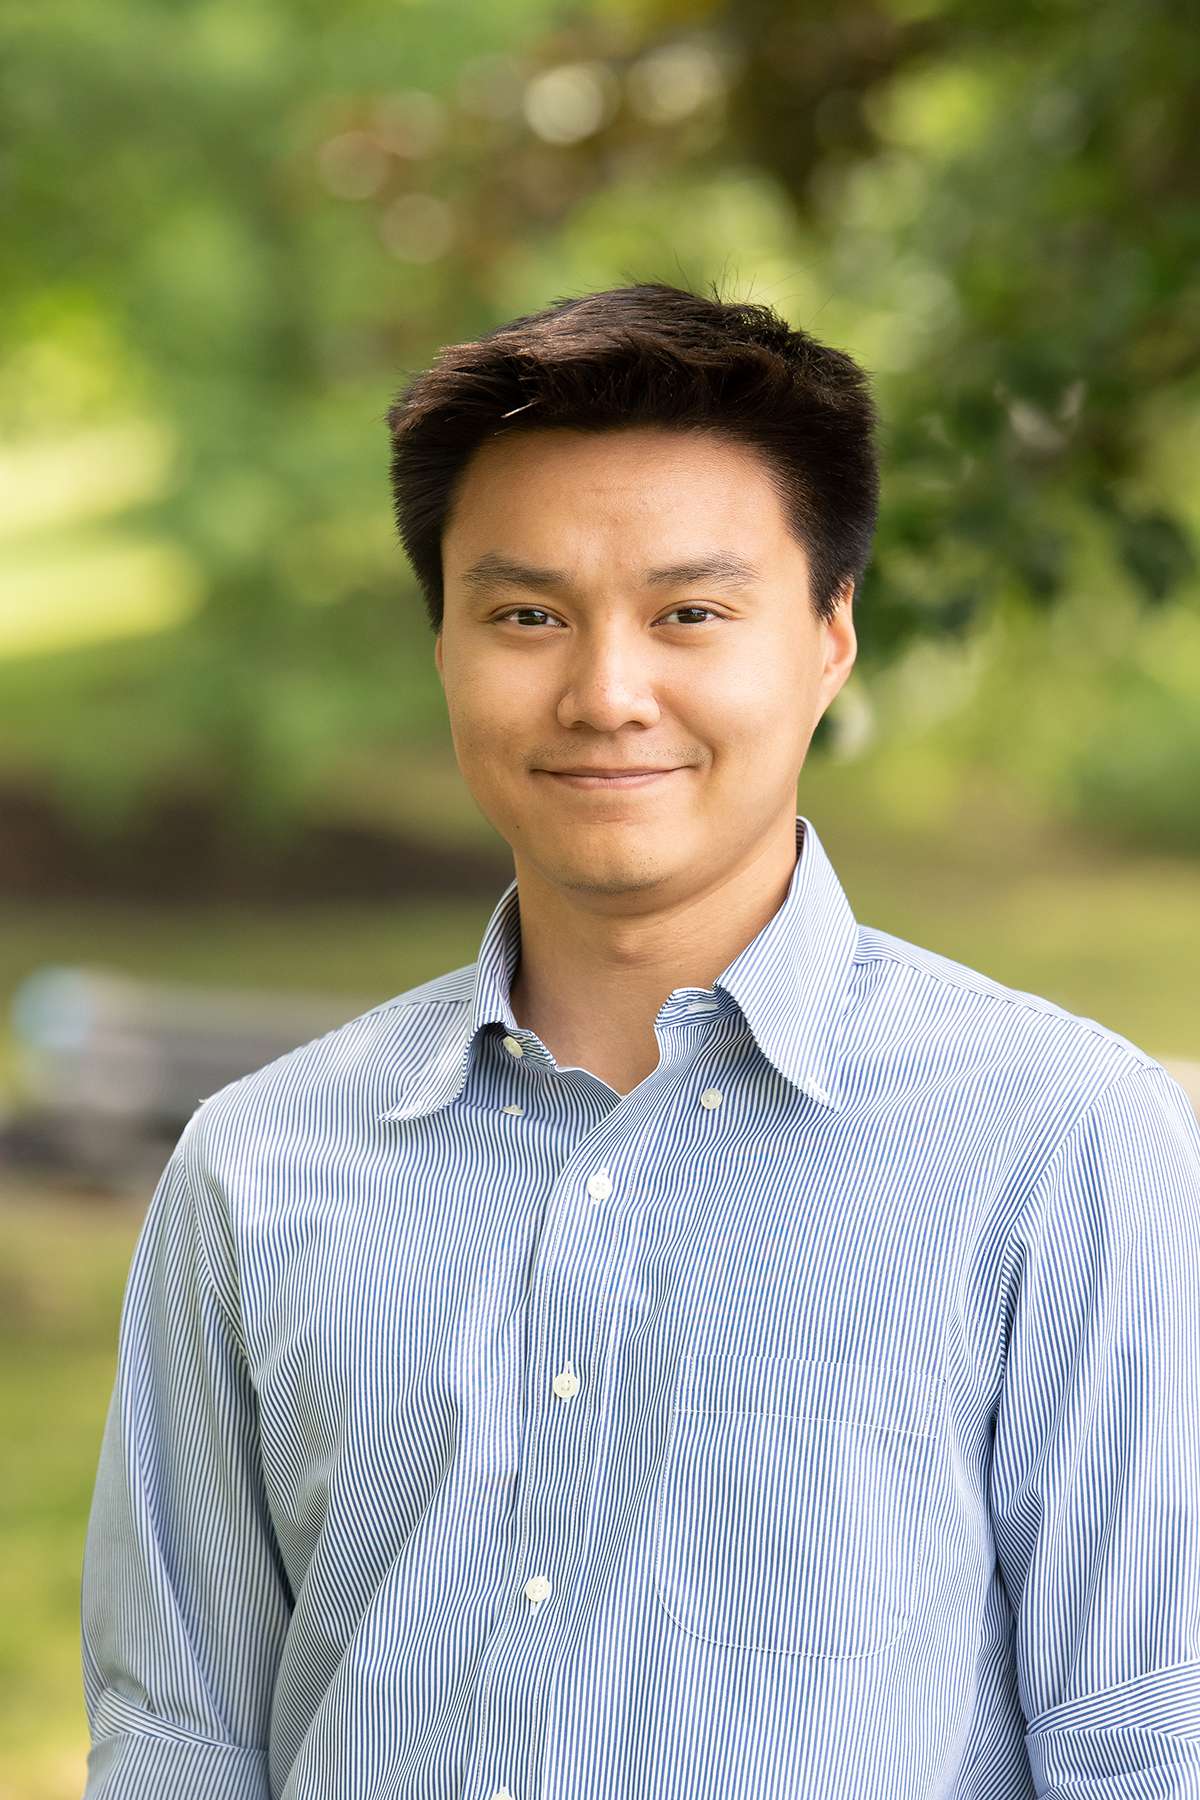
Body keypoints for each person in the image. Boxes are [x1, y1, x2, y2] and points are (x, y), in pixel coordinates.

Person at [80, 281, 1200, 1799]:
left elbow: (1145, 1744)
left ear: (827, 638)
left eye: (691, 612)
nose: (607, 693)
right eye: (527, 615)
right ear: (445, 647)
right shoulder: (259, 1168)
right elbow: (180, 1743)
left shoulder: (1064, 1142)